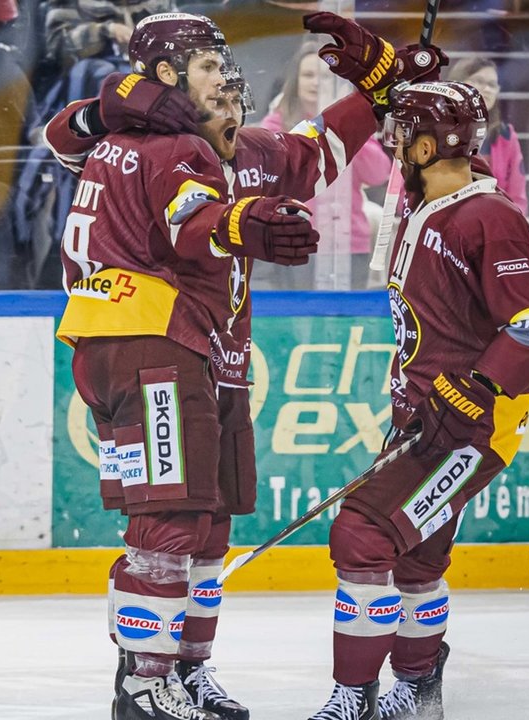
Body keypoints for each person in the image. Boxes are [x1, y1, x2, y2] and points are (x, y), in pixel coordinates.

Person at [43, 12, 442, 719]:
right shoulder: (152, 142)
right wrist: (242, 224)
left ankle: (185, 671)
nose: (230, 83)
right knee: (168, 523)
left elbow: (311, 152)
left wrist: (378, 90)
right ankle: (144, 682)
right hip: (149, 346)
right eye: (208, 69)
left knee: (206, 523)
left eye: (228, 70)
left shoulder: (215, 143)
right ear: (162, 78)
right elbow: (189, 221)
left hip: (208, 357)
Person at [305, 81, 529, 720]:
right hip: (423, 422)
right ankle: (420, 690)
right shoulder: (425, 205)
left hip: (470, 428)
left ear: (425, 145)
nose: (394, 146)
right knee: (418, 556)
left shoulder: (489, 217)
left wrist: (477, 389)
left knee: (362, 533)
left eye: (403, 136)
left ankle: (356, 699)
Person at [259, 40, 393, 289]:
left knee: (348, 323)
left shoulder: (354, 124)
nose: (316, 82)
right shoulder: (276, 125)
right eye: (308, 75)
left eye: (325, 76)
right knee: (297, 325)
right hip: (294, 242)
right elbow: (267, 174)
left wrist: (342, 125)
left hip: (349, 245)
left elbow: (378, 173)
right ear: (295, 82)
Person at [445, 56, 527, 213]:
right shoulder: (434, 128)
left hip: (491, 222)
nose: (487, 89)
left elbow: (517, 198)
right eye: (478, 81)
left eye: (492, 85)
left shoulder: (506, 135)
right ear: (457, 84)